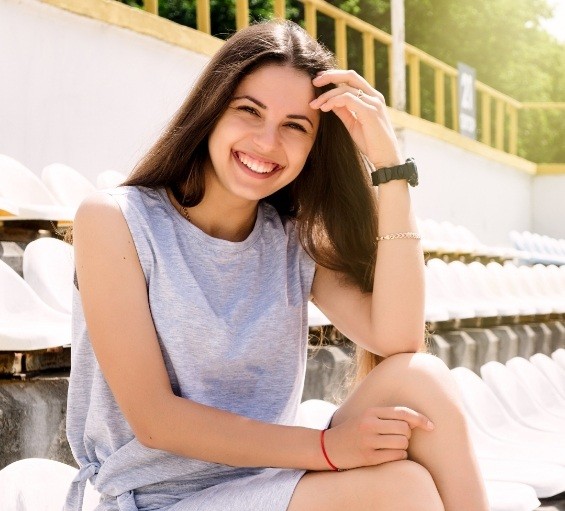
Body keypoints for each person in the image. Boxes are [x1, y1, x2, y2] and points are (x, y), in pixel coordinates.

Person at [64, 19, 489, 511]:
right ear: (211, 111)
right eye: (249, 111)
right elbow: (156, 421)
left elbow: (397, 340)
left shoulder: (294, 236)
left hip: (268, 484)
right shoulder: (116, 220)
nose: (267, 143)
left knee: (422, 378)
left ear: (314, 146)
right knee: (402, 488)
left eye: (295, 126)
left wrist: (391, 171)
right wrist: (327, 448)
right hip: (156, 499)